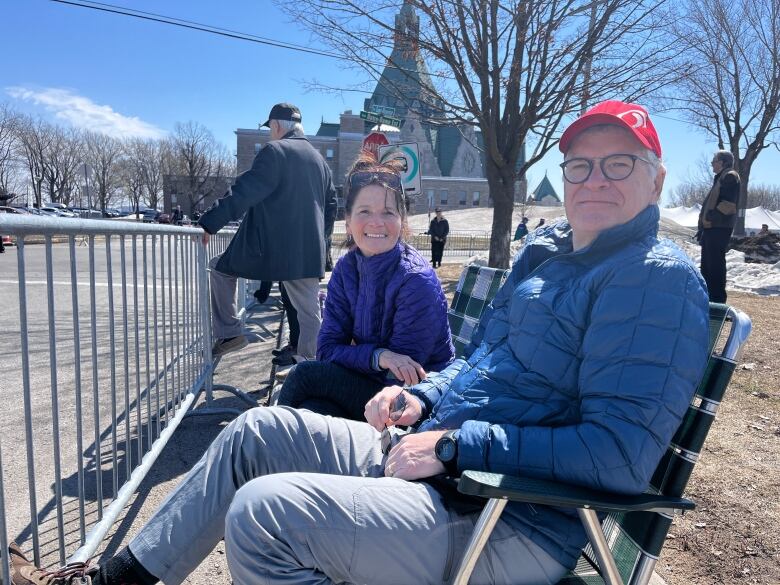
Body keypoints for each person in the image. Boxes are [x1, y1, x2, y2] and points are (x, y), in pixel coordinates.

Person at [9, 100, 711, 585]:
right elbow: (479, 362)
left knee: (265, 515)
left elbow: (618, 455)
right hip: (446, 466)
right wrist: (424, 394)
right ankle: (109, 579)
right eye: (581, 165)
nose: (593, 179)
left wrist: (456, 445)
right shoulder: (548, 253)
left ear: (656, 180)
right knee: (256, 430)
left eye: (618, 164)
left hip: (513, 513)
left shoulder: (653, 281)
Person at [276, 154, 454, 420]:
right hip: (371, 387)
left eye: (388, 212)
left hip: (413, 403)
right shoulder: (347, 268)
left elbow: (401, 374)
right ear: (348, 221)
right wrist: (378, 356)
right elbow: (326, 349)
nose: (376, 222)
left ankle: (263, 449)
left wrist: (355, 357)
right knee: (313, 409)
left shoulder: (416, 280)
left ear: (401, 221)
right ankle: (274, 453)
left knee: (304, 376)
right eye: (365, 212)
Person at [198, 103, 337, 358]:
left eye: (269, 129)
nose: (269, 134)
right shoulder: (320, 161)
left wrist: (210, 222)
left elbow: (244, 192)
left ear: (276, 126)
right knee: (309, 313)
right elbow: (332, 205)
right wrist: (322, 242)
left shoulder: (275, 151)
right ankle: (309, 368)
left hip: (274, 249)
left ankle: (230, 332)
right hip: (308, 251)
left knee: (219, 269)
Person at [696, 150, 740, 303]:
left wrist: (710, 218)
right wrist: (703, 227)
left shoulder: (730, 176)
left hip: (719, 228)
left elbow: (728, 205)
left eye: (714, 161)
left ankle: (718, 301)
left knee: (714, 265)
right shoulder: (721, 177)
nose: (712, 164)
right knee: (707, 265)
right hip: (712, 228)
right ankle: (708, 299)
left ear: (722, 162)